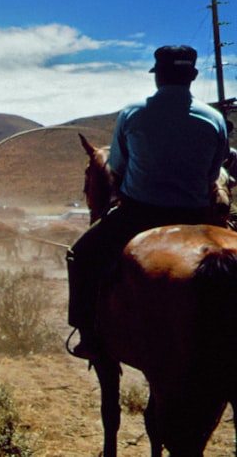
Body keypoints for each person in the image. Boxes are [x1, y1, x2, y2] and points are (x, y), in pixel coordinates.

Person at [66, 45, 228, 360]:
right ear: (192, 76)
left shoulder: (133, 114)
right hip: (199, 215)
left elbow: (118, 166)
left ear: (158, 77)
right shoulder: (215, 118)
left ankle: (87, 334)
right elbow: (213, 172)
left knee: (80, 256)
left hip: (140, 213)